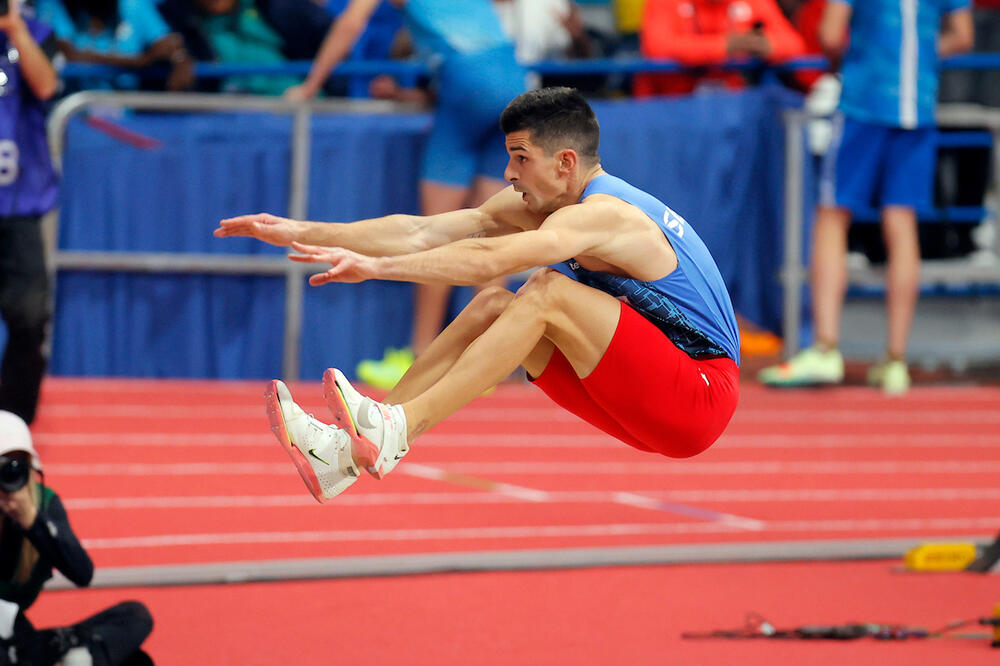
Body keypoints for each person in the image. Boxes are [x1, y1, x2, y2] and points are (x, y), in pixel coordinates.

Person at [214, 87, 741, 502]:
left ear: (564, 163)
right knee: (493, 307)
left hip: (699, 396)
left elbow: (492, 260)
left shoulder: (608, 215)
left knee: (545, 290)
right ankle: (343, 458)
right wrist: (301, 230)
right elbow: (422, 231)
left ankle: (400, 428)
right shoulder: (540, 202)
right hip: (648, 394)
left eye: (520, 157)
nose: (509, 173)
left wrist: (378, 268)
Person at [285, 0, 528, 391]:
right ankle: (495, 361)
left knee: (432, 235)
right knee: (493, 234)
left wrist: (310, 86)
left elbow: (349, 24)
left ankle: (422, 358)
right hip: (513, 84)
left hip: (467, 84)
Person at [759, 0, 974, 394]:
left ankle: (826, 347)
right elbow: (962, 35)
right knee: (901, 221)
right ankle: (896, 360)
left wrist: (865, 52)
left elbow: (829, 33)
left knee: (831, 215)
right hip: (919, 106)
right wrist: (918, 54)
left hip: (864, 101)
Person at [0, 411, 153, 665]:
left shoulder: (42, 505)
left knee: (135, 622)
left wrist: (33, 523)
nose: (9, 479)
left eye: (16, 468)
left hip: (19, 642)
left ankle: (73, 659)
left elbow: (82, 573)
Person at [0, 3, 59, 426]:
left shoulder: (36, 34)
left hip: (18, 204)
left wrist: (15, 29)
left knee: (28, 316)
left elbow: (46, 85)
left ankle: (14, 425)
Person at [635, 0, 807, 97]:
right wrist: (724, 46)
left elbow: (795, 44)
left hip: (733, 111)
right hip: (672, 106)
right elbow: (656, 46)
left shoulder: (753, 2)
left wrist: (766, 45)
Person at [36, 0, 194, 92]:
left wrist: (180, 60)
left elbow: (168, 44)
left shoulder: (133, 5)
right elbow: (68, 54)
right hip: (71, 120)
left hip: (126, 122)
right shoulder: (53, 6)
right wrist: (140, 62)